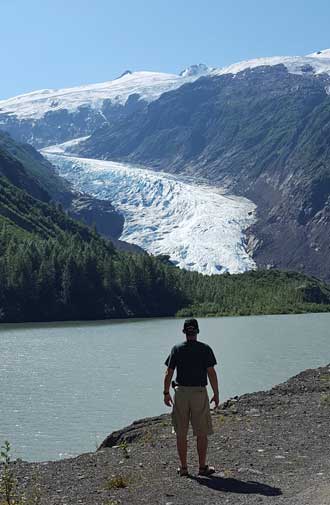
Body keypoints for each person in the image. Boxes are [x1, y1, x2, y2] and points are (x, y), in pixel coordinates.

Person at [163, 318, 219, 477]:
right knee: (201, 432)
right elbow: (211, 373)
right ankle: (202, 468)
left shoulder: (177, 349)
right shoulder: (205, 349)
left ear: (184, 332)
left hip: (180, 393)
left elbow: (169, 373)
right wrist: (216, 393)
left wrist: (166, 392)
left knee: (181, 432)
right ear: (197, 331)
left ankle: (184, 468)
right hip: (199, 393)